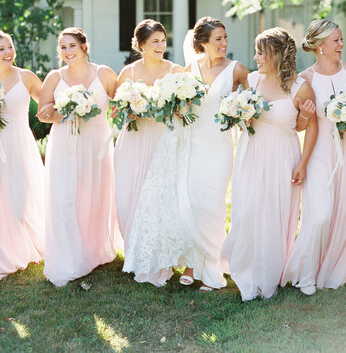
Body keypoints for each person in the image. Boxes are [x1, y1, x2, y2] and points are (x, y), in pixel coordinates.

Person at [222, 28, 317, 300]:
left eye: (261, 52)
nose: (256, 58)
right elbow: (243, 119)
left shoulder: (300, 87)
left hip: (283, 157)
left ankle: (269, 275)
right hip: (251, 154)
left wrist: (304, 162)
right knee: (248, 212)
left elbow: (307, 127)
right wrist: (240, 116)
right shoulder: (252, 81)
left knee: (275, 214)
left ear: (276, 54)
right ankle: (247, 271)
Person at [281, 19, 346, 295]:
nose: (342, 45)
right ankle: (305, 273)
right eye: (336, 41)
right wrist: (305, 116)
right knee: (319, 214)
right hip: (320, 151)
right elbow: (298, 126)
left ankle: (337, 265)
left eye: (342, 40)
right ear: (320, 46)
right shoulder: (305, 79)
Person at [38, 27, 119, 287]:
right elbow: (42, 113)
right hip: (64, 143)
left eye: (72, 45)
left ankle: (92, 251)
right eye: (62, 47)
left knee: (92, 197)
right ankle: (67, 257)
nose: (67, 51)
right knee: (64, 199)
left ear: (84, 46)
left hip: (95, 145)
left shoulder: (103, 73)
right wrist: (66, 111)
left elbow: (122, 104)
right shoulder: (55, 77)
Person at [179, 16, 250, 291]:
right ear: (203, 43)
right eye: (218, 39)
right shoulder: (189, 69)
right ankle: (192, 263)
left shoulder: (237, 70)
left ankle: (213, 264)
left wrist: (241, 115)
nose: (224, 43)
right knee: (193, 205)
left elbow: (250, 106)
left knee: (213, 205)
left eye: (225, 37)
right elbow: (182, 106)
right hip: (193, 144)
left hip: (219, 147)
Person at [114, 19, 182, 250]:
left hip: (162, 138)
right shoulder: (128, 72)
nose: (161, 45)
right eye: (155, 41)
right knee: (128, 192)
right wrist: (130, 110)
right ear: (141, 45)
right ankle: (133, 247)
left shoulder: (176, 71)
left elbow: (185, 110)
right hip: (133, 138)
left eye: (163, 40)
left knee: (158, 195)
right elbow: (117, 108)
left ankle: (157, 249)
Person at [0, 31, 45, 279]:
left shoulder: (26, 77)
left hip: (19, 145)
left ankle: (25, 245)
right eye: (1, 49)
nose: (8, 53)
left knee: (20, 200)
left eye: (10, 47)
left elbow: (47, 104)